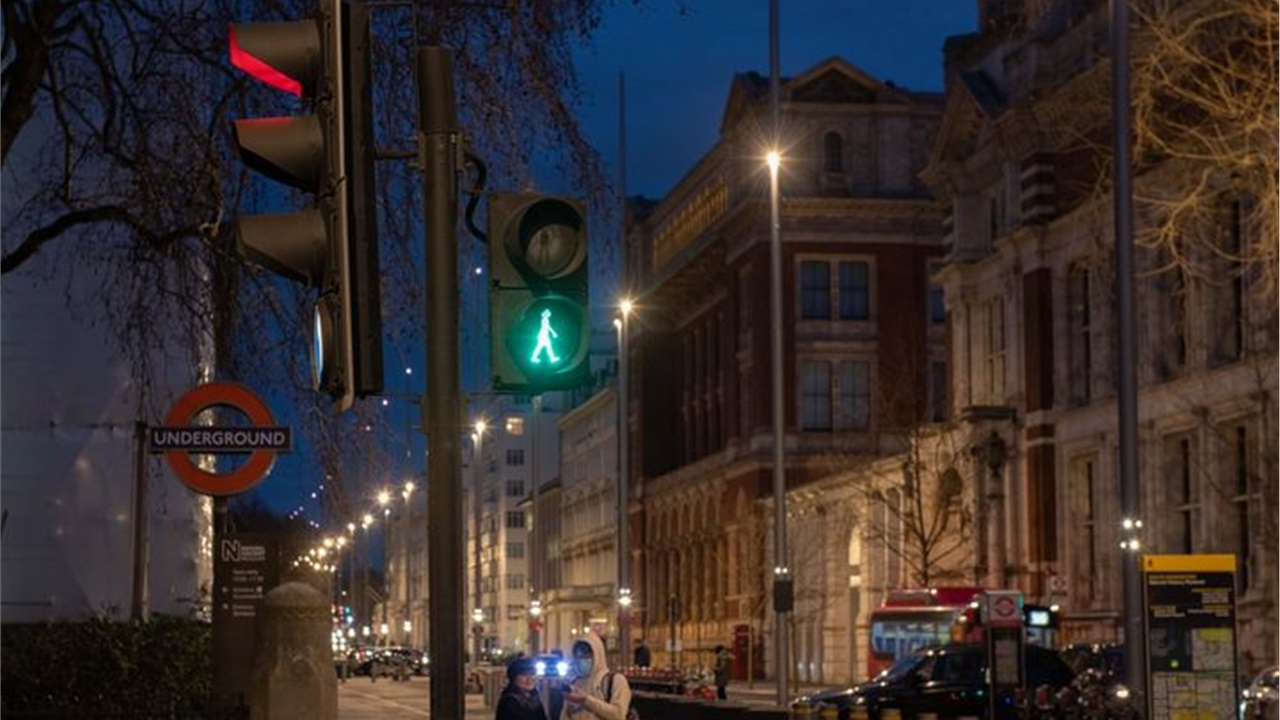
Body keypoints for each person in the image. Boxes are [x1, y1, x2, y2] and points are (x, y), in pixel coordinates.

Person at [561, 632, 632, 720]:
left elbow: (618, 715)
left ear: (597, 654)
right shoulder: (575, 684)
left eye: (586, 656)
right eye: (578, 657)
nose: (582, 660)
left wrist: (586, 700)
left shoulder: (615, 681)